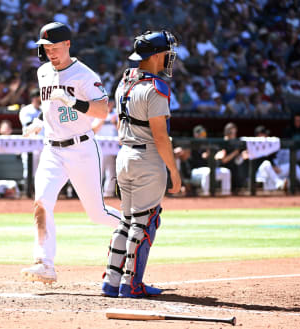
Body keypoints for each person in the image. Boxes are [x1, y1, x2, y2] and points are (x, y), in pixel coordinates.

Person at [20, 22, 121, 284]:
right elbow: (51, 108)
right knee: (41, 201)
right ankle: (44, 263)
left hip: (81, 148)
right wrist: (40, 123)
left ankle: (134, 231)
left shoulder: (84, 75)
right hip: (52, 149)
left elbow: (102, 111)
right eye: (45, 48)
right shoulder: (43, 72)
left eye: (54, 47)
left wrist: (74, 101)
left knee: (96, 213)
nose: (49, 52)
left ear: (67, 45)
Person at [102, 30, 182, 298]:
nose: (169, 57)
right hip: (146, 157)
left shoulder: (124, 81)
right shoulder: (156, 88)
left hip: (124, 155)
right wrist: (173, 170)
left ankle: (112, 281)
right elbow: (160, 136)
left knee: (126, 221)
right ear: (157, 55)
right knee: (144, 223)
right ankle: (131, 284)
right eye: (167, 53)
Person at [190, 125, 231, 196]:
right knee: (207, 172)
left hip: (209, 169)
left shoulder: (208, 144)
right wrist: (206, 155)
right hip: (196, 171)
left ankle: (225, 194)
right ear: (196, 135)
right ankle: (206, 194)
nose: (203, 136)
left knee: (226, 172)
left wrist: (216, 156)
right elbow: (201, 158)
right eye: (201, 134)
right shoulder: (191, 144)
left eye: (204, 134)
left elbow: (214, 157)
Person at [92, 97, 119, 198]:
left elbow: (121, 128)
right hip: (100, 144)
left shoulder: (116, 114)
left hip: (113, 145)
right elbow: (93, 129)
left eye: (111, 103)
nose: (109, 105)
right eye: (108, 103)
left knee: (111, 170)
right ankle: (96, 193)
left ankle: (108, 192)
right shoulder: (99, 113)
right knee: (99, 170)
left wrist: (115, 122)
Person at [19, 88, 43, 181]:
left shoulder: (43, 109)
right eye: (38, 98)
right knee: (29, 169)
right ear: (33, 98)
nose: (40, 100)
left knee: (42, 169)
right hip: (30, 142)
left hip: (42, 142)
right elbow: (28, 124)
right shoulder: (26, 110)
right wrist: (40, 120)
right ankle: (27, 192)